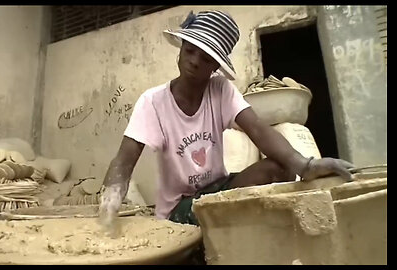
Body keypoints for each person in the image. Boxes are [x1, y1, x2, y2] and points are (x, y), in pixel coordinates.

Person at [98, 10, 354, 227]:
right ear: (180, 52)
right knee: (210, 210)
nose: (194, 62)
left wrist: (305, 166)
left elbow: (258, 129)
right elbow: (125, 159)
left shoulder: (220, 90)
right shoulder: (152, 102)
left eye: (206, 58)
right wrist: (110, 203)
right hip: (179, 207)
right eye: (190, 51)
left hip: (219, 190)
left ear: (215, 67)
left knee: (280, 168)